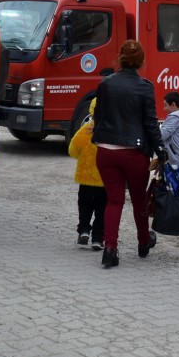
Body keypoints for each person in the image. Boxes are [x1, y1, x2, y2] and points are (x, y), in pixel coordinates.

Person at [92, 40, 167, 268]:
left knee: (114, 201)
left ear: (120, 59)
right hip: (134, 153)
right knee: (138, 201)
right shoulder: (145, 86)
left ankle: (110, 248)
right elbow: (151, 123)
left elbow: (98, 116)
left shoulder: (106, 84)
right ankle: (143, 242)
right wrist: (161, 150)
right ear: (141, 61)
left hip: (105, 151)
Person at [67, 98, 106, 250]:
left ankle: (83, 230)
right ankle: (97, 238)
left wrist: (83, 158)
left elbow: (72, 150)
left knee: (84, 206)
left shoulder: (84, 131)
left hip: (85, 178)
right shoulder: (110, 132)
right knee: (101, 211)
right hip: (104, 180)